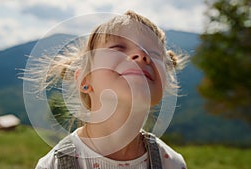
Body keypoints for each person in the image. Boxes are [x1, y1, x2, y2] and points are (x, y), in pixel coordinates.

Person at [34, 10, 187, 169]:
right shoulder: (53, 166)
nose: (142, 55)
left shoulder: (172, 164)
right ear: (85, 80)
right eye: (119, 48)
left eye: (154, 52)